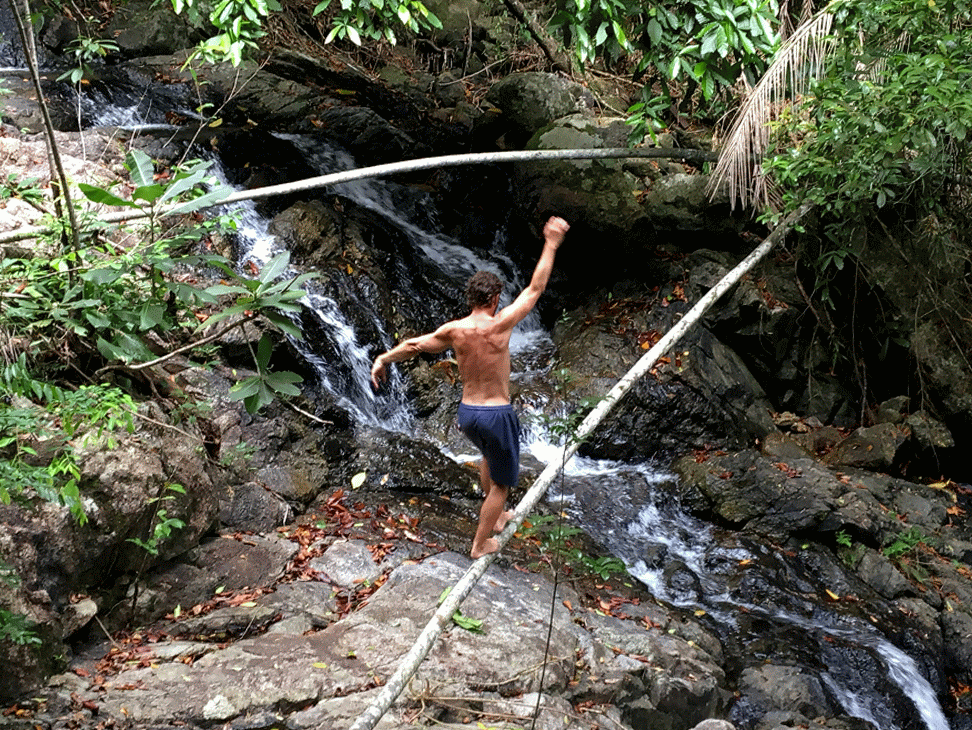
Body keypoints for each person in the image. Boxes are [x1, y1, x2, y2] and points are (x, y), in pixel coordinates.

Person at [370, 216, 570, 558]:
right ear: (494, 299)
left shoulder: (454, 330)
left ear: (471, 299)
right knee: (503, 485)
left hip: (468, 414)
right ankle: (480, 543)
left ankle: (497, 518)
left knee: (488, 456)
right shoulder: (500, 324)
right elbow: (535, 289)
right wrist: (550, 243)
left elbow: (415, 345)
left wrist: (384, 359)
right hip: (495, 413)